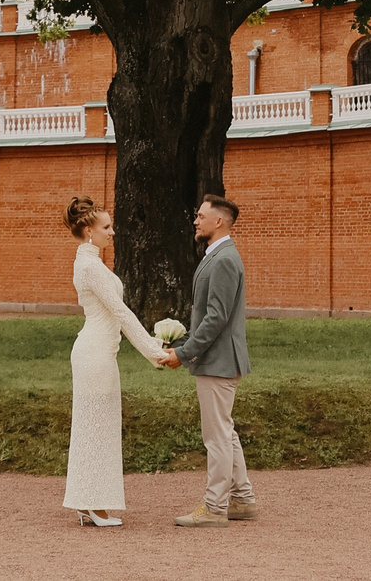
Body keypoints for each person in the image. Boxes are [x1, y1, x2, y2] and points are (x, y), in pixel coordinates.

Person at [62, 195, 170, 528]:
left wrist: (154, 342)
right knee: (95, 428)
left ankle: (88, 503)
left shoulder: (91, 263)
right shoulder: (90, 266)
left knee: (96, 427)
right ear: (89, 231)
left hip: (99, 351)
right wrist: (154, 352)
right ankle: (93, 505)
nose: (112, 232)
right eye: (107, 227)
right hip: (94, 354)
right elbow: (120, 313)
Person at [161, 194, 254, 527]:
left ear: (219, 222)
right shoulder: (216, 255)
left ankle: (215, 508)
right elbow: (209, 318)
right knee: (225, 434)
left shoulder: (225, 259)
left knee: (216, 437)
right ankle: (242, 500)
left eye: (201, 216)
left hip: (219, 362)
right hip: (218, 360)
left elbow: (216, 319)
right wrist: (181, 344)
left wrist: (183, 354)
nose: (195, 221)